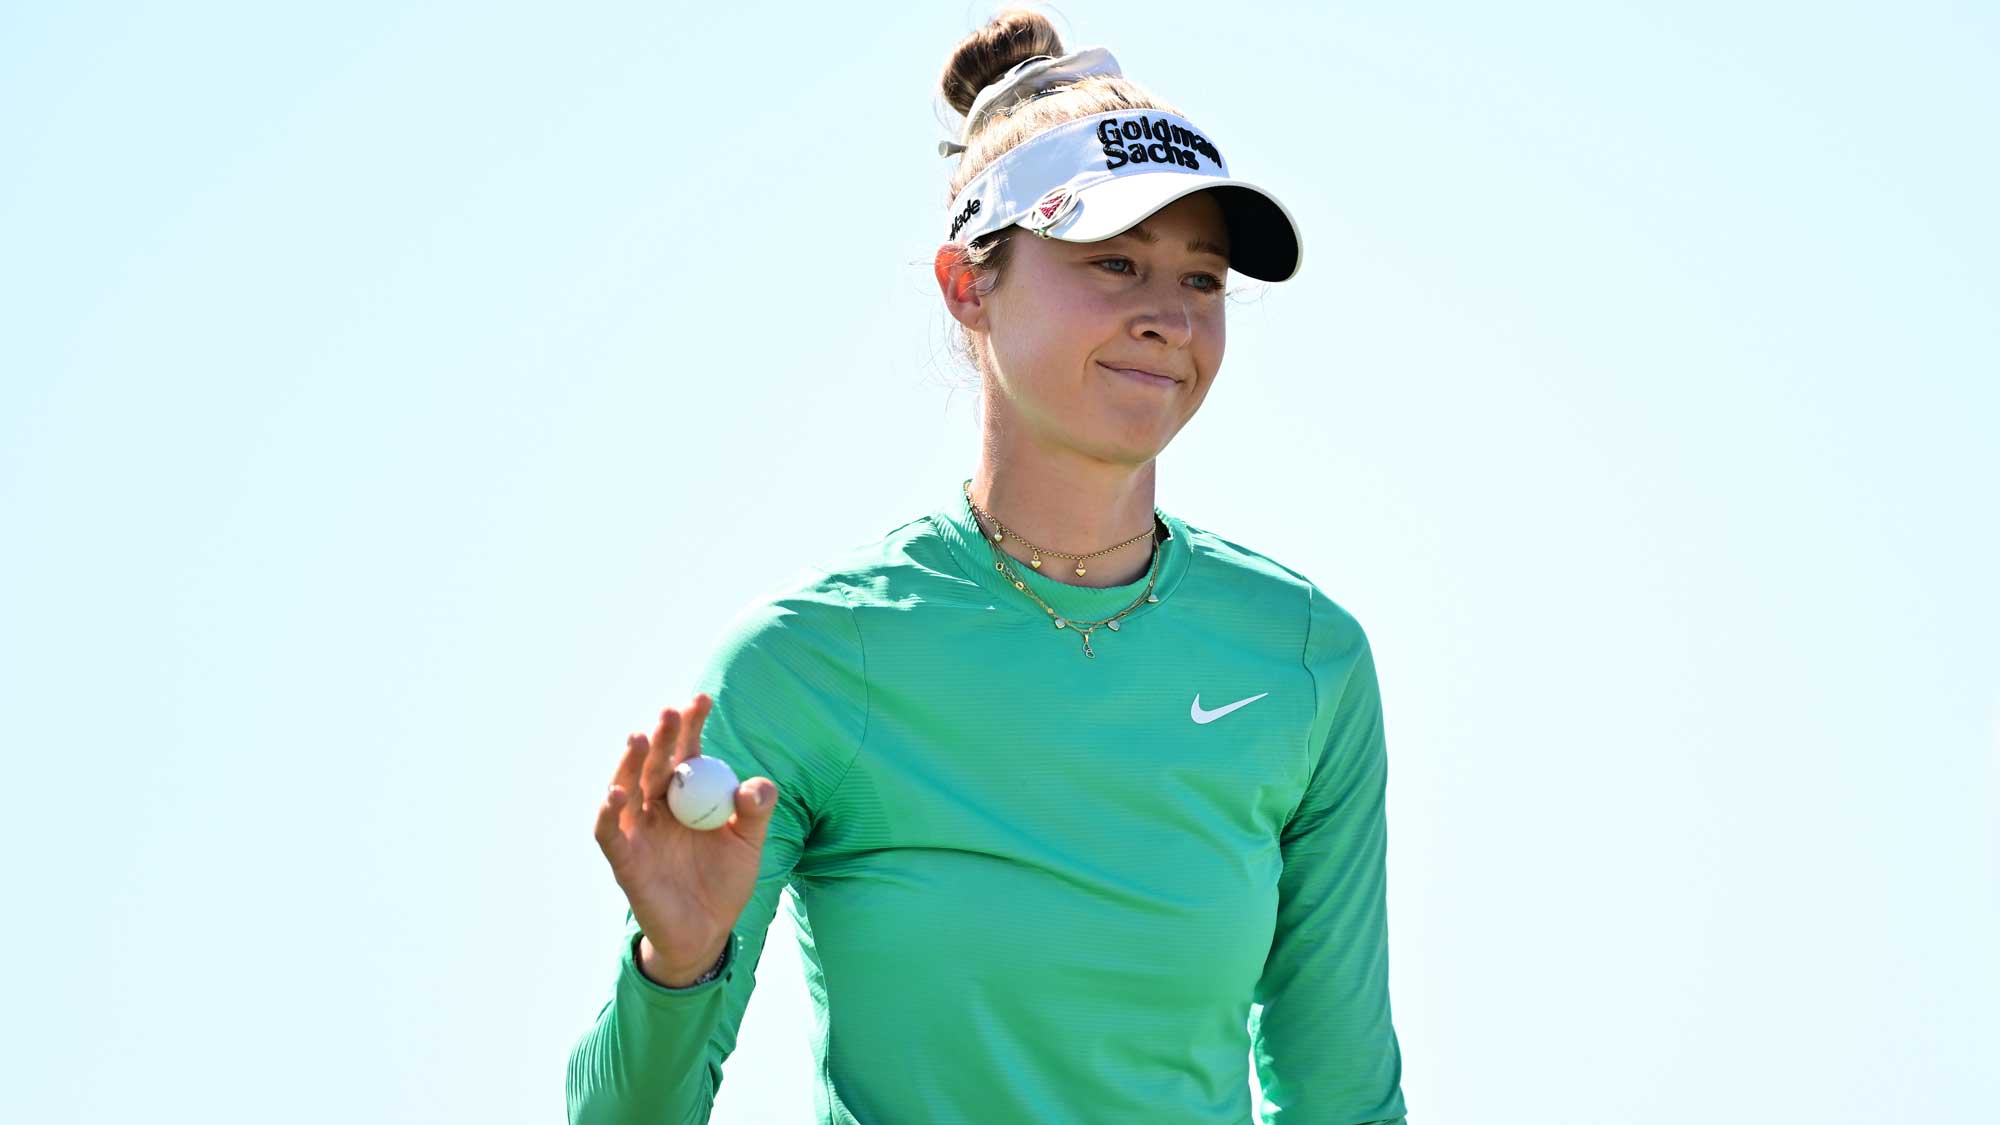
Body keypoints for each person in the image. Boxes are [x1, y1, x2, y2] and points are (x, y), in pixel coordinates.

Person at [566, 10, 1409, 1124]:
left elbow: (1341, 1091)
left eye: (1201, 281)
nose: (1167, 317)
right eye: (1113, 262)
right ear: (968, 285)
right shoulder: (813, 660)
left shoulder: (1303, 658)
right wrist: (675, 966)